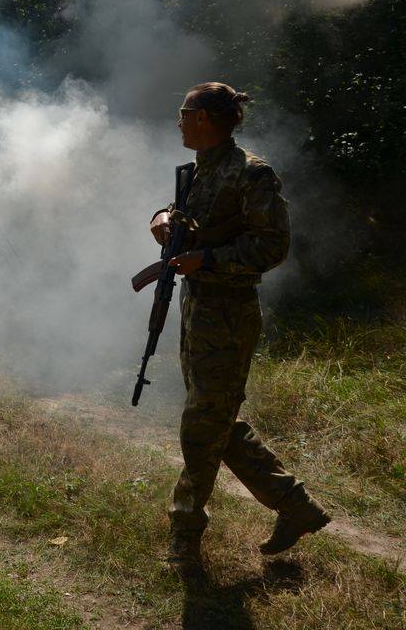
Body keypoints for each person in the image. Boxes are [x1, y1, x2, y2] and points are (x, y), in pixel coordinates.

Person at [150, 82, 329, 567]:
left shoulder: (251, 174)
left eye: (184, 112)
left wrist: (206, 260)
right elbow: (187, 219)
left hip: (227, 316)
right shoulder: (201, 172)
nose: (179, 120)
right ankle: (296, 506)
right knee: (216, 419)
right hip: (198, 310)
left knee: (201, 424)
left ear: (205, 118)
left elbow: (272, 248)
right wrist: (162, 217)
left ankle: (185, 531)